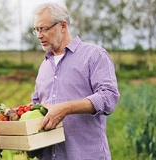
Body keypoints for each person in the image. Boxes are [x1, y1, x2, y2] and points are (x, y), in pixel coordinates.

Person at [31, 3, 120, 160]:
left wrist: (66, 108)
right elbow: (37, 106)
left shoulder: (94, 55)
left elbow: (109, 97)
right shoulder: (44, 66)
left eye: (44, 29)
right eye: (36, 30)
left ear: (63, 26)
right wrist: (18, 115)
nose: (39, 35)